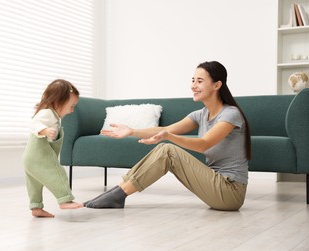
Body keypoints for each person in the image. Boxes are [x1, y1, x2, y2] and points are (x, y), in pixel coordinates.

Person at [84, 61, 251, 211]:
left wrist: (168, 136)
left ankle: (118, 195)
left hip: (230, 192)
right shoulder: (201, 114)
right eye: (193, 80)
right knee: (165, 147)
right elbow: (166, 128)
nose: (193, 86)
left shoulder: (230, 114)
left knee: (168, 150)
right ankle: (117, 191)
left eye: (199, 81)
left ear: (217, 85)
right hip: (214, 184)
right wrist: (132, 131)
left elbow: (203, 144)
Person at [23, 79, 83, 218]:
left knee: (35, 184)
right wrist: (45, 131)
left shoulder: (53, 116)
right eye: (72, 106)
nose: (72, 110)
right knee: (57, 173)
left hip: (30, 158)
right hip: (40, 156)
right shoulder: (48, 113)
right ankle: (65, 199)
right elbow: (35, 123)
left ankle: (36, 207)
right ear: (58, 102)